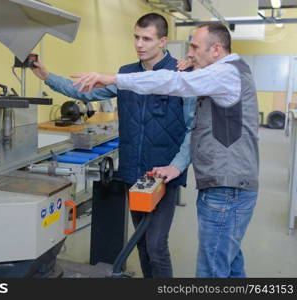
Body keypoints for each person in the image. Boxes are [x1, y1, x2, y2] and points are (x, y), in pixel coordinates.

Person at [72, 22, 259, 278]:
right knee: (230, 263)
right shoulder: (228, 72)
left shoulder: (226, 73)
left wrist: (113, 78)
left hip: (228, 188)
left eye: (194, 46)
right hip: (226, 185)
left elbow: (172, 82)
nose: (189, 53)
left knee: (213, 269)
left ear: (216, 49)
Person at [31, 13, 195, 278]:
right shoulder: (125, 74)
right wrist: (47, 76)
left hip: (163, 173)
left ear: (163, 41)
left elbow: (192, 127)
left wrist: (177, 166)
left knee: (156, 244)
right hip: (133, 171)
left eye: (147, 39)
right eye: (136, 37)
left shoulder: (182, 74)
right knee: (140, 242)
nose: (139, 44)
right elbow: (84, 91)